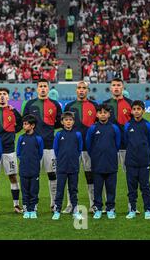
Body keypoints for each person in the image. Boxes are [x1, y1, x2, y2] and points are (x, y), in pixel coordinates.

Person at [23, 79, 62, 211]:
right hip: (32, 146)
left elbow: (59, 122)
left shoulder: (55, 104)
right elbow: (25, 121)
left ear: (48, 88)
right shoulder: (30, 104)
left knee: (52, 174)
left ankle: (54, 203)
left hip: (49, 145)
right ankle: (33, 204)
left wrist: (49, 130)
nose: (43, 88)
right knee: (34, 175)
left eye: (45, 86)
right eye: (41, 86)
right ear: (37, 89)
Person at [63, 81, 98, 213]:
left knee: (91, 176)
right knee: (71, 176)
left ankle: (93, 204)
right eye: (79, 88)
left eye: (84, 88)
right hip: (72, 148)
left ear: (87, 90)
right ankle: (71, 204)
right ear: (76, 90)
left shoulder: (94, 106)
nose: (81, 90)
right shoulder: (69, 106)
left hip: (89, 148)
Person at [86, 104, 121, 220]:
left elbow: (117, 144)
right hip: (97, 164)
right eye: (100, 112)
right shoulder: (92, 128)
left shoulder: (114, 128)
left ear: (109, 114)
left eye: (105, 112)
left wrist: (109, 153)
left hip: (111, 163)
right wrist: (96, 156)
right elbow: (88, 145)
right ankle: (98, 208)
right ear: (96, 114)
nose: (103, 114)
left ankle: (110, 208)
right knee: (98, 188)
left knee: (111, 187)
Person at [124, 101, 150, 220]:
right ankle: (132, 209)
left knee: (145, 187)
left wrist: (144, 152)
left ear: (143, 111)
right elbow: (127, 141)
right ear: (131, 111)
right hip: (131, 161)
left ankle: (147, 209)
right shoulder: (127, 125)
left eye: (139, 109)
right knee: (131, 187)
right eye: (134, 109)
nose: (136, 111)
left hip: (144, 161)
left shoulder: (148, 125)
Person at [52, 112, 84, 220]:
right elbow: (56, 150)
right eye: (66, 120)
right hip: (61, 167)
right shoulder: (59, 134)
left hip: (74, 166)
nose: (68, 122)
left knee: (73, 189)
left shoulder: (77, 134)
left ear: (73, 122)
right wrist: (62, 159)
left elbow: (79, 149)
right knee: (60, 189)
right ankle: (57, 210)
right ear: (62, 122)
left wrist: (73, 159)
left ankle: (75, 210)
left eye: (70, 120)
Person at [103, 78, 133, 173]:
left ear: (123, 87)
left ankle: (132, 189)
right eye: (114, 85)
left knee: (129, 173)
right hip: (109, 145)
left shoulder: (130, 103)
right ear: (110, 88)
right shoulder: (105, 104)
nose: (116, 88)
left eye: (119, 85)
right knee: (109, 173)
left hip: (126, 145)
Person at [17, 115, 44, 219]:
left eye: (26, 124)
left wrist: (34, 162)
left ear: (32, 126)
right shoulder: (21, 138)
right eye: (23, 124)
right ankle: (26, 209)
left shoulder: (38, 138)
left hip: (34, 169)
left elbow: (40, 154)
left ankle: (33, 209)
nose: (24, 126)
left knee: (34, 190)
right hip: (23, 169)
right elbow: (18, 153)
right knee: (25, 191)